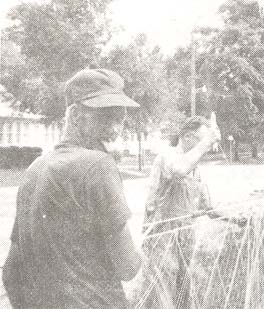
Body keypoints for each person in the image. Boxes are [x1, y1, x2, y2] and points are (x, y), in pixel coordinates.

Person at [2, 69, 143, 308]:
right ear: (76, 116)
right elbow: (128, 267)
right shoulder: (98, 165)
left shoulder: (35, 169)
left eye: (120, 119)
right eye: (106, 117)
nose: (116, 129)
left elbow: (12, 273)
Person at [139, 116, 237, 308]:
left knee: (185, 294)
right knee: (162, 296)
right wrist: (208, 141)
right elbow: (178, 169)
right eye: (202, 140)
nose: (207, 147)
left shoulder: (196, 169)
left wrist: (233, 218)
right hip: (163, 237)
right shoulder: (167, 156)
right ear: (187, 137)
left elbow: (208, 207)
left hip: (186, 238)